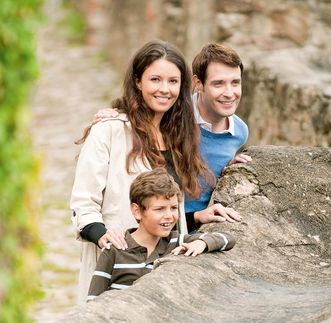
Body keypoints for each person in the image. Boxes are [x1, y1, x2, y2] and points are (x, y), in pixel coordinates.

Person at [70, 40, 212, 303]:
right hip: (118, 267)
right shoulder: (110, 130)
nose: (164, 89)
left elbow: (161, 208)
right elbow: (83, 203)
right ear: (137, 81)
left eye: (173, 81)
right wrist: (104, 237)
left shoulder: (179, 137)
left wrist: (196, 217)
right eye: (155, 79)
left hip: (164, 270)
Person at [92, 43, 251, 233]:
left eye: (235, 82)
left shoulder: (239, 132)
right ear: (197, 84)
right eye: (218, 83)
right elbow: (146, 108)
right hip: (145, 228)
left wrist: (228, 169)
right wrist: (118, 113)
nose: (229, 93)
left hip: (189, 229)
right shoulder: (175, 117)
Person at [87, 168, 236, 301]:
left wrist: (202, 243)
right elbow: (93, 299)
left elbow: (228, 239)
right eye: (159, 209)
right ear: (137, 211)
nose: (169, 216)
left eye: (173, 208)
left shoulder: (177, 242)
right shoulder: (113, 249)